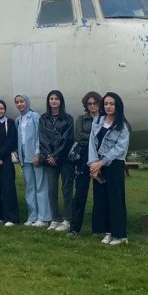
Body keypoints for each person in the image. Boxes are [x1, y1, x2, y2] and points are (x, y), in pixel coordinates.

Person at [89, 92, 131, 245]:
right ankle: (108, 231)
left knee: (115, 199)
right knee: (102, 199)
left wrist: (103, 162)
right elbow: (92, 143)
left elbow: (120, 148)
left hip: (113, 165)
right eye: (106, 104)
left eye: (111, 104)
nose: (108, 106)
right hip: (98, 165)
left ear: (117, 106)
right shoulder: (97, 121)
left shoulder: (123, 126)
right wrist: (93, 164)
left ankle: (120, 235)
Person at [39, 90, 75, 231]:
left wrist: (56, 155)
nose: (54, 101)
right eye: (51, 99)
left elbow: (67, 139)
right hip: (49, 160)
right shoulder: (43, 119)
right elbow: (42, 138)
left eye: (56, 99)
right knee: (51, 190)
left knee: (66, 189)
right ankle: (54, 218)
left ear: (61, 101)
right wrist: (49, 155)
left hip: (64, 159)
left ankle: (67, 219)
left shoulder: (68, 118)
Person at [68, 91, 101, 236]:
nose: (92, 106)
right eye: (89, 104)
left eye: (95, 103)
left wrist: (94, 138)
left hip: (99, 160)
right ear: (86, 105)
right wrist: (95, 138)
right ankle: (74, 228)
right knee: (80, 194)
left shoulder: (104, 119)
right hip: (83, 159)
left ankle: (98, 228)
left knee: (99, 195)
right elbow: (79, 136)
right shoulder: (81, 119)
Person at [15, 94, 50, 227]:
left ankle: (44, 217)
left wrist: (37, 154)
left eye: (22, 101)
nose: (20, 104)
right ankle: (32, 216)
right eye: (17, 102)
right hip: (25, 159)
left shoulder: (35, 117)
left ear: (27, 102)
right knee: (29, 188)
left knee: (41, 186)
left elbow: (39, 136)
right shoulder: (18, 120)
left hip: (36, 157)